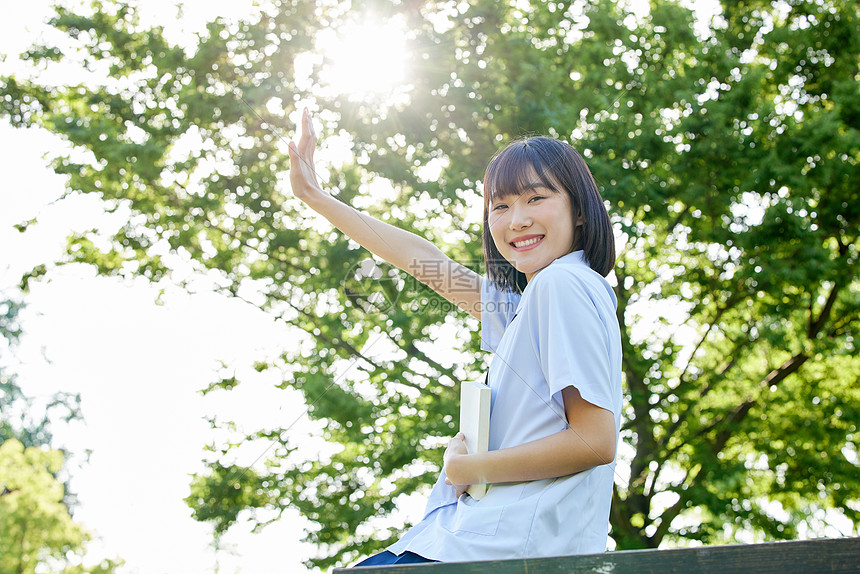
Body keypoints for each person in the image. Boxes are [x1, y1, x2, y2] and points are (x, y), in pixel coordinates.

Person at [288, 108, 622, 565]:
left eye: (536, 199)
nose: (516, 220)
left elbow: (594, 442)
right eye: (500, 206)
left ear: (579, 211)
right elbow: (425, 262)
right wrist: (317, 197)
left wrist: (466, 467)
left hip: (497, 549)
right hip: (481, 543)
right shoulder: (531, 302)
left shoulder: (561, 285)